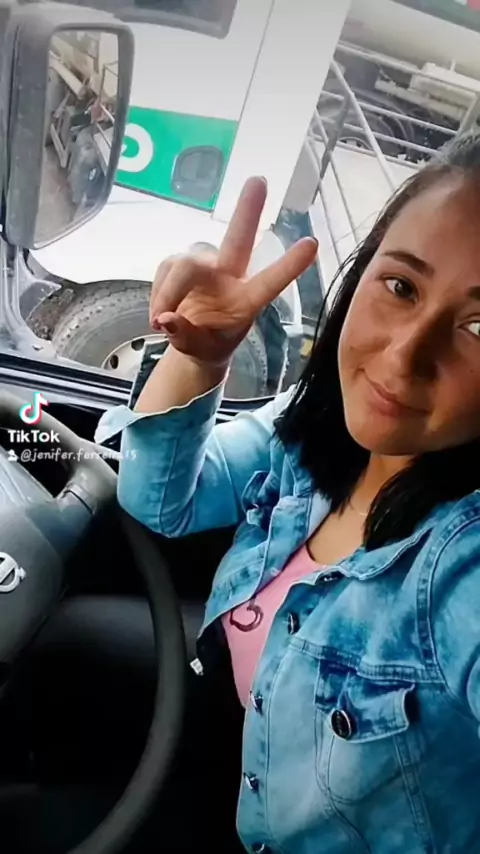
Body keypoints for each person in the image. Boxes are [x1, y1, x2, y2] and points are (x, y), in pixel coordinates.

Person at [95, 131, 480, 853]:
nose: (405, 356)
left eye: (479, 327)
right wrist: (198, 356)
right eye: (401, 287)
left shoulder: (462, 567)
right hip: (228, 747)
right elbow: (159, 502)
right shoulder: (314, 428)